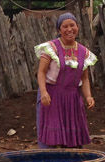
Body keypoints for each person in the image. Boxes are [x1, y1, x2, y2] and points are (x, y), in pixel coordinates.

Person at [35, 12, 96, 147]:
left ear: (77, 27)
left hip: (72, 98)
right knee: (50, 135)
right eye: (65, 26)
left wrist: (88, 97)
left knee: (72, 138)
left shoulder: (83, 52)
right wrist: (44, 92)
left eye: (72, 25)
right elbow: (41, 72)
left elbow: (84, 79)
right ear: (59, 30)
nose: (69, 29)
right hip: (51, 96)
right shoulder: (51, 48)